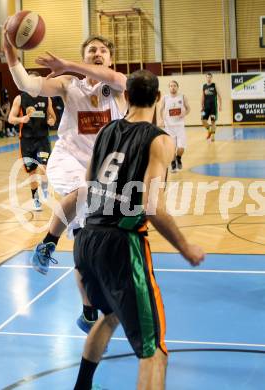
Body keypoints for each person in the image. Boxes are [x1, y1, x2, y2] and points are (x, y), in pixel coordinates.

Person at [73, 70, 205, 390]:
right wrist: (186, 247)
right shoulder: (159, 139)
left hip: (87, 237)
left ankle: (82, 387)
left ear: (126, 98)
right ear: (158, 98)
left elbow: (88, 185)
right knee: (154, 351)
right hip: (121, 245)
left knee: (110, 316)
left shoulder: (105, 131)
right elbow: (151, 205)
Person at [4, 29, 127, 331]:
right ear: (84, 55)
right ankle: (46, 244)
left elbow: (116, 80)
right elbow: (27, 83)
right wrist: (10, 52)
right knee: (83, 191)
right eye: (91, 50)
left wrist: (70, 63)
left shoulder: (118, 85)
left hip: (102, 170)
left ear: (110, 58)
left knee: (86, 240)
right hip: (68, 159)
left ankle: (87, 311)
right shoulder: (69, 84)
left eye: (102, 50)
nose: (97, 53)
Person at [8, 87, 56, 211]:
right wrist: (21, 119)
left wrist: (51, 121)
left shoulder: (46, 98)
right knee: (32, 172)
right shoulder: (20, 98)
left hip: (42, 139)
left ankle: (45, 187)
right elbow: (10, 118)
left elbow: (53, 116)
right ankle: (35, 198)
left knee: (44, 168)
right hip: (27, 141)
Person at [159, 80, 190, 172]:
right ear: (169, 87)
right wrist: (161, 120)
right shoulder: (165, 98)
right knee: (171, 147)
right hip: (169, 126)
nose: (173, 87)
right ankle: (173, 164)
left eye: (174, 85)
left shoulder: (182, 97)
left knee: (181, 147)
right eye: (171, 86)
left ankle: (178, 158)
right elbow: (161, 110)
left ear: (177, 87)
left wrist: (185, 113)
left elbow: (188, 108)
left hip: (180, 126)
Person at [201, 72, 222, 142]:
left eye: (210, 77)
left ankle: (213, 135)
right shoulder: (204, 86)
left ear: (211, 78)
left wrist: (220, 105)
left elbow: (219, 96)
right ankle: (209, 130)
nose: (209, 78)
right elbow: (203, 96)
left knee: (213, 121)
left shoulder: (214, 85)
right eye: (207, 77)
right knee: (203, 120)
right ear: (206, 78)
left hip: (213, 107)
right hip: (206, 107)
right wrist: (202, 105)